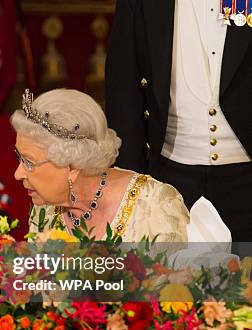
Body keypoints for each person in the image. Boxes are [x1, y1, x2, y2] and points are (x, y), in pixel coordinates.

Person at [105, 0, 252, 241]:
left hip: (246, 181)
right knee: (171, 276)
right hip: (171, 180)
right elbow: (124, 90)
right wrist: (130, 187)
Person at [12, 89, 189, 242]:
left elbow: (177, 280)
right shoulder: (43, 210)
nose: (17, 174)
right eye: (19, 157)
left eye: (29, 162)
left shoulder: (155, 207)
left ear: (72, 166)